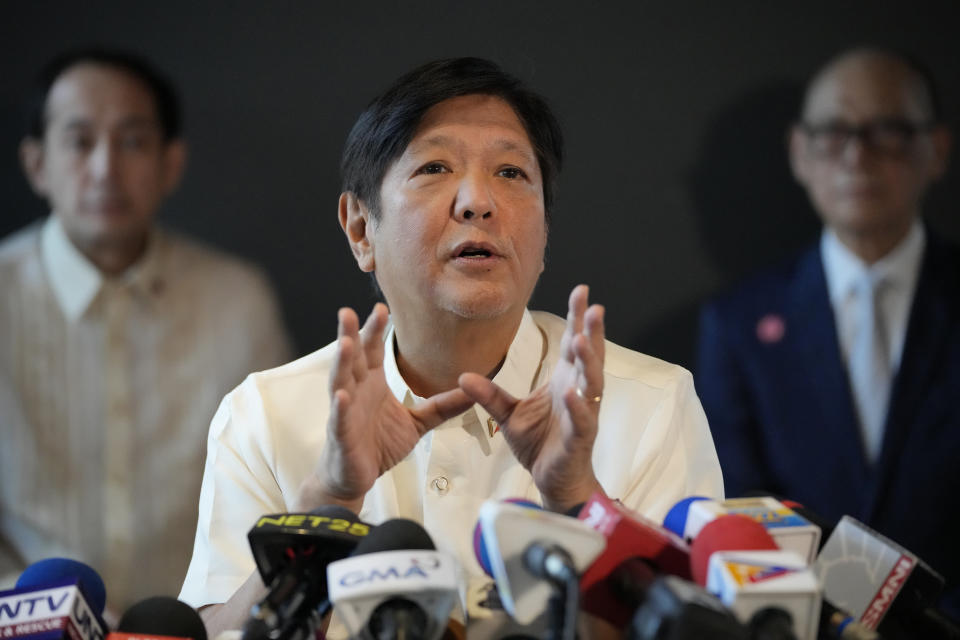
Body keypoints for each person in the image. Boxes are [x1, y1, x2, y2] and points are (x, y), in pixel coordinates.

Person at [179, 57, 723, 636]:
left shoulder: (650, 404)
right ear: (360, 228)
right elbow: (214, 632)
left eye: (512, 173)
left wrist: (575, 501)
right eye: (435, 166)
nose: (477, 202)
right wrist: (327, 505)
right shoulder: (264, 417)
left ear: (544, 230)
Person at [0, 48, 292, 613]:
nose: (106, 168)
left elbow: (273, 493)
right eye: (80, 141)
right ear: (37, 165)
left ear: (170, 164)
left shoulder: (237, 301)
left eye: (132, 141)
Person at [696, 47, 959, 614]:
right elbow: (740, 507)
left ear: (936, 150)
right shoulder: (736, 324)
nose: (857, 156)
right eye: (833, 131)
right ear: (799, 152)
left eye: (886, 130)